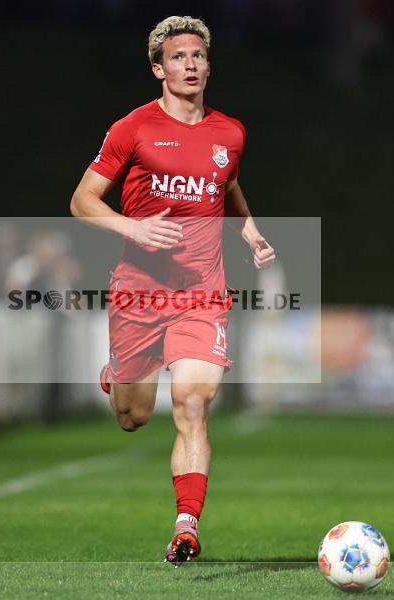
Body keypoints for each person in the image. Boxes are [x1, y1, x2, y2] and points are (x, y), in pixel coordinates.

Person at [69, 15, 276, 566]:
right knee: (134, 416)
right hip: (138, 292)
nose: (191, 65)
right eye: (179, 58)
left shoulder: (230, 133)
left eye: (198, 56)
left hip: (202, 294)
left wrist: (249, 230)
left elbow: (226, 184)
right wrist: (132, 227)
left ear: (209, 65)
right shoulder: (131, 128)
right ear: (158, 69)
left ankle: (186, 526)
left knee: (191, 403)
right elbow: (82, 201)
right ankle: (119, 379)